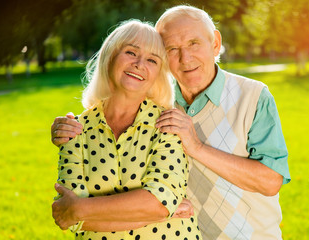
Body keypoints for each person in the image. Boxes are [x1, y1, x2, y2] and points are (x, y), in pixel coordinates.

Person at [51, 6, 291, 240]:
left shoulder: (253, 96)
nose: (185, 58)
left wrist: (196, 147)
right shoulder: (156, 104)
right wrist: (66, 128)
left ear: (215, 43)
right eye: (172, 48)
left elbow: (270, 181)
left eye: (193, 44)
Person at [51, 19, 202, 240]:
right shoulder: (75, 129)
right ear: (110, 56)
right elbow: (68, 218)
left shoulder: (169, 124)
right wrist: (161, 213)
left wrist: (81, 209)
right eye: (131, 53)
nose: (140, 63)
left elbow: (159, 203)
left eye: (152, 60)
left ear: (158, 74)